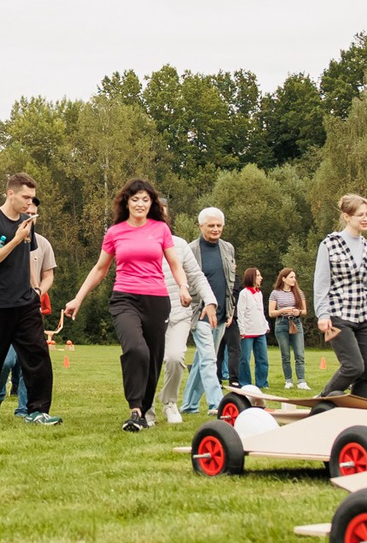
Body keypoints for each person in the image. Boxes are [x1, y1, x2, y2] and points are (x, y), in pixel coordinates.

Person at [61, 180, 192, 430]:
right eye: (135, 199)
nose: (140, 204)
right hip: (124, 298)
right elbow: (100, 269)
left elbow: (176, 265)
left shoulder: (160, 229)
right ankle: (135, 409)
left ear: (152, 203)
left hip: (157, 300)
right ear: (126, 203)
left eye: (145, 199)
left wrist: (183, 287)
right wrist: (78, 298)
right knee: (135, 349)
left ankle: (143, 414)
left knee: (154, 358)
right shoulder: (115, 232)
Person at [0, 173, 60, 425]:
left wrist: (36, 291)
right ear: (10, 193)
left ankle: (37, 410)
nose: (29, 202)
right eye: (25, 197)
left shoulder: (28, 221)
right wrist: (15, 239)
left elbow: (28, 260)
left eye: (32, 198)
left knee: (38, 357)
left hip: (25, 303)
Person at [312, 195, 367, 399]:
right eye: (360, 215)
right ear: (347, 216)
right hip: (338, 315)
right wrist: (323, 314)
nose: (365, 218)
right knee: (353, 366)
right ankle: (322, 401)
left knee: (365, 373)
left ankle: (356, 417)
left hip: (363, 317)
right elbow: (322, 282)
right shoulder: (330, 244)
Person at [157, 227, 216, 424]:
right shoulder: (140, 244)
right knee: (147, 362)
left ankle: (169, 402)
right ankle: (144, 407)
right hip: (149, 313)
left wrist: (209, 300)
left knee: (175, 358)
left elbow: (197, 276)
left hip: (179, 313)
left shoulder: (180, 244)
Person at [186, 209, 238, 388]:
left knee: (205, 358)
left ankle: (189, 404)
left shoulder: (228, 248)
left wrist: (230, 310)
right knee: (209, 359)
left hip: (222, 313)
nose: (216, 229)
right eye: (211, 225)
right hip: (200, 313)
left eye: (219, 225)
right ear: (201, 226)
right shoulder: (190, 249)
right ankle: (215, 402)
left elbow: (230, 284)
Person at [267, 269, 307, 389]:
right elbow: (271, 313)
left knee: (299, 354)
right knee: (285, 354)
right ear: (283, 279)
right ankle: (288, 380)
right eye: (291, 277)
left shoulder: (299, 293)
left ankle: (301, 381)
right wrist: (283, 310)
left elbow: (304, 311)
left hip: (296, 323)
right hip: (281, 323)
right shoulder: (275, 293)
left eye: (294, 277)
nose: (294, 279)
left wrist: (298, 311)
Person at [235, 268, 270, 391]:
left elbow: (261, 311)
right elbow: (241, 312)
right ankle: (245, 383)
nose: (261, 278)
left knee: (262, 358)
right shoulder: (244, 293)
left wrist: (266, 324)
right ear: (252, 277)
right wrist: (242, 329)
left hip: (260, 331)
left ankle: (262, 382)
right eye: (258, 275)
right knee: (245, 358)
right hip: (248, 332)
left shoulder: (259, 293)